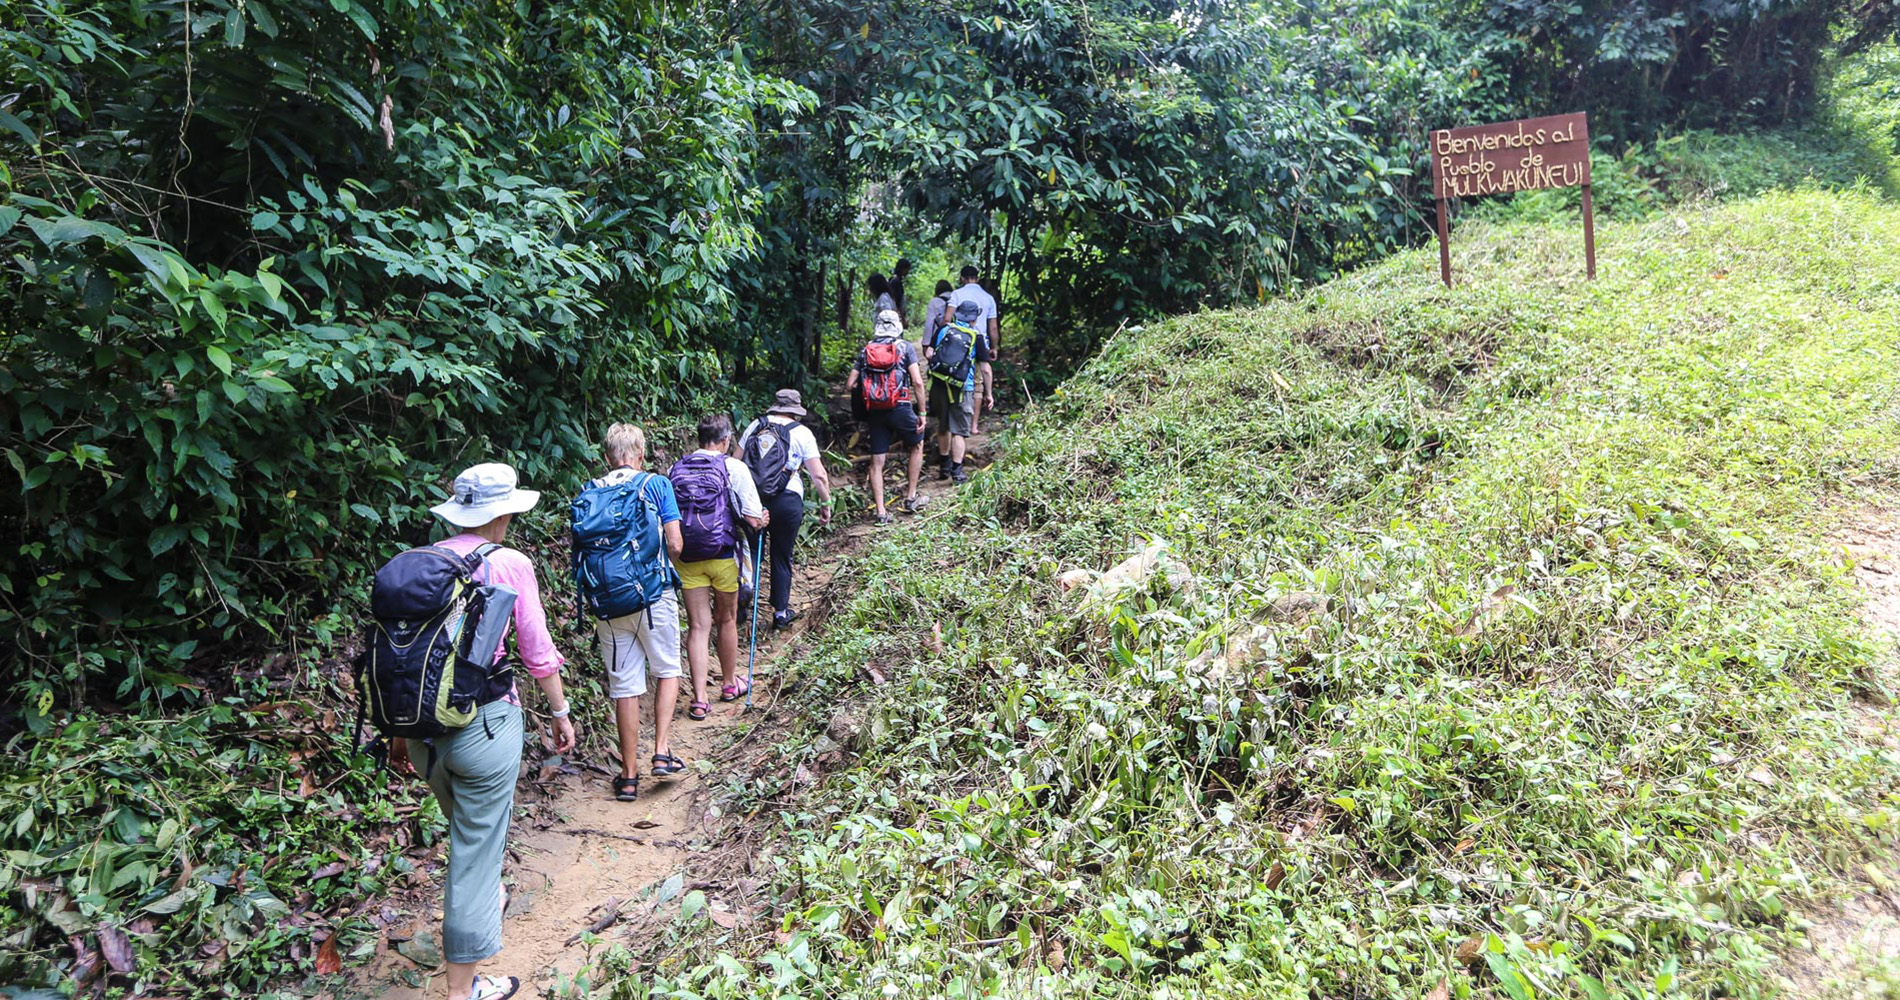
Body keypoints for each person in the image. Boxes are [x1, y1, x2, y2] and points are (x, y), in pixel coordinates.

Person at [392, 463, 577, 1000]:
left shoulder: (419, 564)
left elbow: (399, 658)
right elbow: (537, 652)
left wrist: (398, 736)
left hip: (422, 734)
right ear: (504, 512)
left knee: (469, 841)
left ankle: (482, 901)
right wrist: (561, 713)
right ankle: (463, 991)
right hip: (484, 727)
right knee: (474, 857)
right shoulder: (508, 563)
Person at [584, 424, 687, 801]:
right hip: (652, 594)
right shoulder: (656, 485)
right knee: (667, 668)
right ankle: (661, 751)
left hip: (609, 601)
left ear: (608, 457)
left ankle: (628, 776)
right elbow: (675, 542)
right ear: (640, 453)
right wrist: (660, 560)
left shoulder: (591, 490)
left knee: (624, 686)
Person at [670, 415, 769, 718]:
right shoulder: (733, 467)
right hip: (723, 555)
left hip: (688, 556)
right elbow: (752, 518)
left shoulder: (677, 468)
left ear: (698, 440)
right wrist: (763, 519)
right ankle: (729, 683)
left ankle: (699, 698)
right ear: (726, 440)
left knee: (699, 626)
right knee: (726, 620)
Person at [737, 390, 834, 630]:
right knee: (782, 555)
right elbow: (819, 475)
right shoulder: (802, 433)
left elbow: (735, 461)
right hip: (787, 499)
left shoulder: (755, 426)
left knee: (748, 553)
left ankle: (740, 605)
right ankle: (780, 614)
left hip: (753, 500)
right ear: (795, 410)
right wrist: (825, 504)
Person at [846, 309, 930, 523]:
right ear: (898, 325)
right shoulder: (904, 347)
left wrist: (871, 392)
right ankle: (911, 497)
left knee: (877, 461)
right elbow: (918, 382)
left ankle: (881, 512)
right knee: (917, 444)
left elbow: (850, 384)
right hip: (901, 406)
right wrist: (921, 412)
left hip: (875, 410)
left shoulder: (866, 350)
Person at [926, 300, 989, 485]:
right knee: (959, 431)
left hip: (939, 384)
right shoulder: (976, 336)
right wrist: (988, 393)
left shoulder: (944, 329)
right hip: (963, 387)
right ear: (974, 318)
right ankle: (957, 471)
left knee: (943, 425)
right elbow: (985, 368)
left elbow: (929, 354)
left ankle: (944, 466)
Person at [945, 265, 999, 433]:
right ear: (977, 277)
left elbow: (947, 320)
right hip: (979, 342)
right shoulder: (988, 298)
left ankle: (953, 421)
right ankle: (973, 425)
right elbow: (993, 327)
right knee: (977, 385)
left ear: (962, 278)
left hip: (957, 343)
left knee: (953, 379)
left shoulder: (956, 294)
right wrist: (994, 347)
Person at [921, 278, 954, 357]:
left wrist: (926, 344)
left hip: (938, 338)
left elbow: (929, 324)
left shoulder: (934, 302)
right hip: (955, 337)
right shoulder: (956, 299)